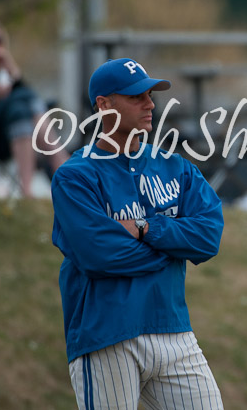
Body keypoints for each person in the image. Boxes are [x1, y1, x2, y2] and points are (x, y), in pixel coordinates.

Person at [51, 58, 224, 408]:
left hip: (174, 330)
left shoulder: (176, 167)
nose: (149, 104)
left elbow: (208, 237)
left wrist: (147, 228)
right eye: (135, 97)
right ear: (104, 105)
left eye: (149, 94)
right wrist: (174, 247)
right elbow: (101, 255)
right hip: (107, 335)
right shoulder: (75, 177)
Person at [0, 15, 68, 197]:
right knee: (25, 98)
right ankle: (61, 162)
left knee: (20, 109)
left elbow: (18, 90)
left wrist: (8, 63)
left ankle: (26, 191)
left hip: (14, 129)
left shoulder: (1, 68)